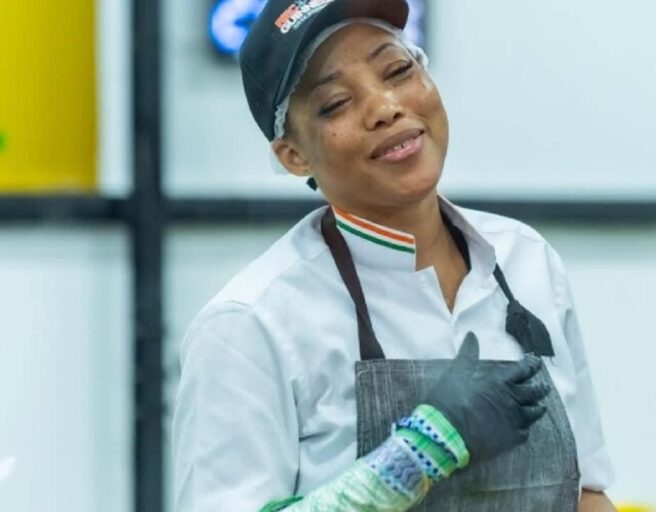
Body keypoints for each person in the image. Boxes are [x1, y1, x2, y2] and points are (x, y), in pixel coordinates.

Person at [172, 0, 616, 511]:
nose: (384, 106)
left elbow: (586, 495)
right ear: (293, 155)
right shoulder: (250, 326)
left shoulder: (528, 262)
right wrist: (416, 453)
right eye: (336, 102)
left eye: (398, 70)